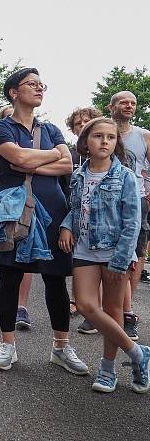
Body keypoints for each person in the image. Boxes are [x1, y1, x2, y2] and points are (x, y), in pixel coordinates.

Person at [0, 68, 87, 375]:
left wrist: (27, 162)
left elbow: (67, 163)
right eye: (32, 84)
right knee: (10, 276)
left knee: (56, 279)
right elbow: (20, 158)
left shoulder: (53, 129)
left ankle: (61, 347)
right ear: (14, 92)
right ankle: (7, 346)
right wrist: (45, 157)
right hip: (14, 212)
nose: (39, 88)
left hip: (53, 211)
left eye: (41, 84)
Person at [59, 117, 150, 393]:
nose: (105, 142)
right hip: (85, 250)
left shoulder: (126, 177)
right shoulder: (78, 175)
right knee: (86, 305)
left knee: (112, 311)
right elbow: (76, 209)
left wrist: (121, 259)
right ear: (86, 141)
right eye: (98, 136)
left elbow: (132, 222)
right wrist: (65, 226)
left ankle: (108, 369)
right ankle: (137, 353)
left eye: (110, 137)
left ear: (116, 143)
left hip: (115, 253)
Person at [0, 106, 35, 330]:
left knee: (28, 259)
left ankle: (21, 307)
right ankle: (11, 310)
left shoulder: (34, 139)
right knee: (9, 262)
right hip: (7, 203)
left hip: (31, 200)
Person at [107, 91, 150, 341]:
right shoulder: (103, 131)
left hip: (136, 201)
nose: (129, 106)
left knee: (135, 255)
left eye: (133, 103)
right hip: (106, 200)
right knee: (104, 255)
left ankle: (126, 313)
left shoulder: (144, 136)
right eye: (124, 102)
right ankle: (106, 311)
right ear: (111, 106)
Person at [61, 106, 104, 331]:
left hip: (101, 220)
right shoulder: (69, 154)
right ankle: (80, 303)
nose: (82, 126)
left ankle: (98, 312)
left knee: (97, 264)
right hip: (73, 214)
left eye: (88, 122)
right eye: (78, 123)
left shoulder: (108, 154)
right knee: (77, 261)